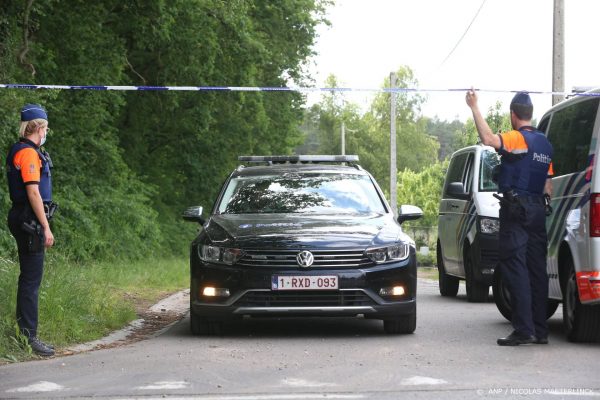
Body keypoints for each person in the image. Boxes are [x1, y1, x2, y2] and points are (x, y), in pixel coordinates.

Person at [466, 89, 553, 346]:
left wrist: (474, 106)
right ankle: (541, 331)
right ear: (531, 114)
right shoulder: (545, 144)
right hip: (538, 211)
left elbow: (488, 138)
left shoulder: (518, 138)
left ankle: (524, 330)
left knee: (516, 269)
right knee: (537, 271)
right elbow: (548, 186)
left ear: (514, 115)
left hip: (517, 212)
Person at [6, 103, 56, 356]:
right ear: (37, 127)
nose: (47, 132)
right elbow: (33, 191)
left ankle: (26, 335)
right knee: (31, 280)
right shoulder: (27, 153)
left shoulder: (28, 151)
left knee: (29, 278)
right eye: (46, 127)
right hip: (29, 220)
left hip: (25, 217)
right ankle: (28, 338)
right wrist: (46, 227)